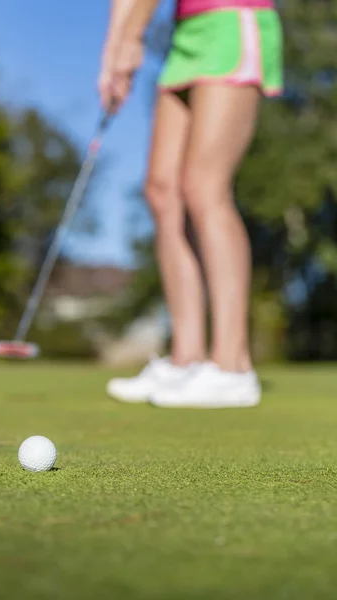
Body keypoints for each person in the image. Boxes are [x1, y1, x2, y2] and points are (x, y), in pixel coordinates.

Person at [100, 0, 283, 408]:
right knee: (162, 189)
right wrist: (112, 54)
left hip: (233, 17)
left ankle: (232, 367)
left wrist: (132, 38)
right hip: (187, 33)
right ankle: (187, 360)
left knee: (205, 186)